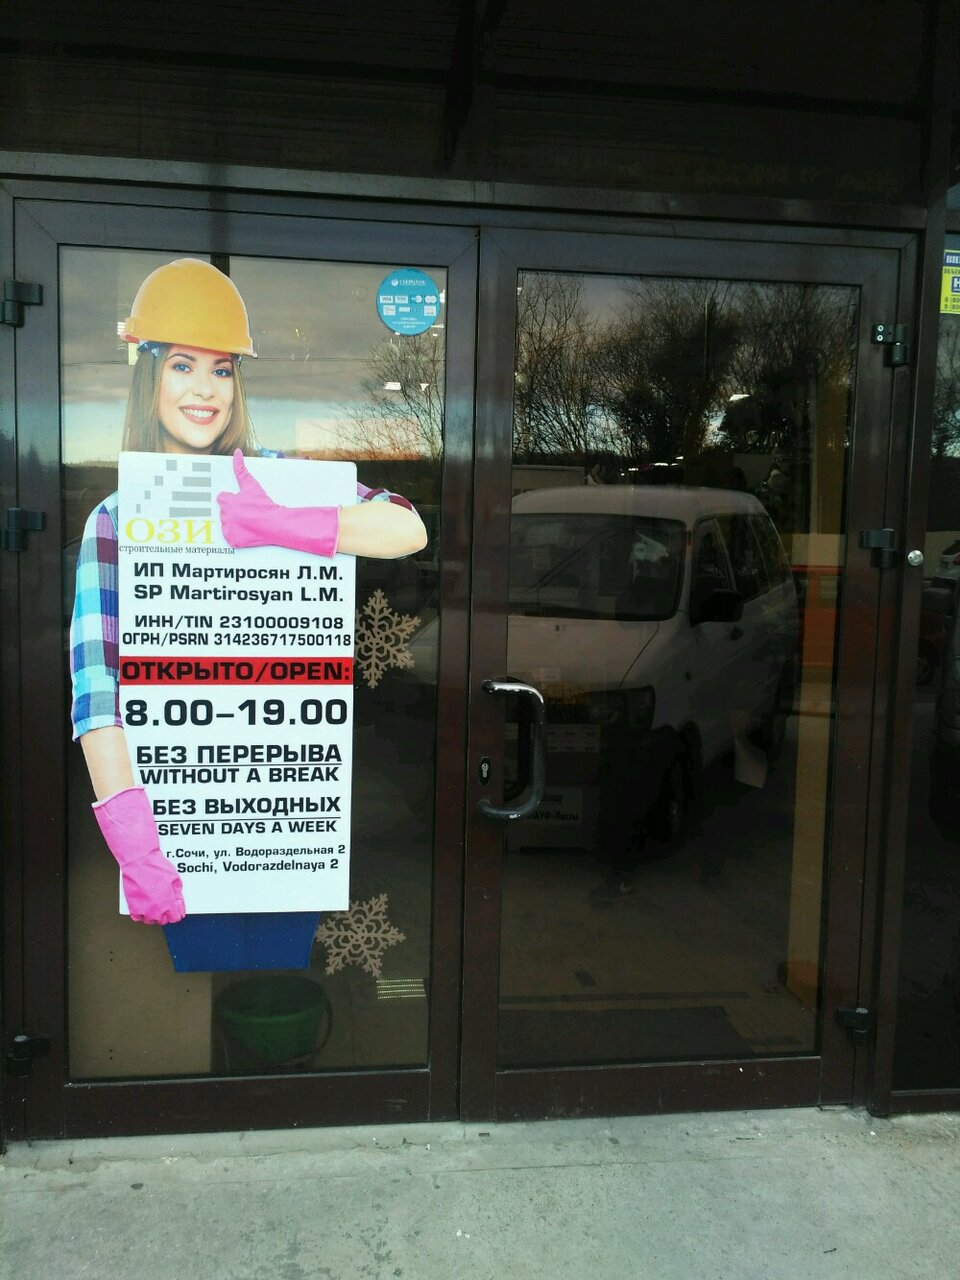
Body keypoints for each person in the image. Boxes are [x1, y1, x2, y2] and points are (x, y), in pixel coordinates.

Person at [70, 258, 427, 970]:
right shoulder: (115, 518)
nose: (204, 389)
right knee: (205, 982)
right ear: (149, 375)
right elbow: (97, 694)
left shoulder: (281, 479)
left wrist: (285, 522)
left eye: (222, 369)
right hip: (183, 829)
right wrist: (136, 848)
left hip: (285, 826)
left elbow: (406, 528)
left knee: (282, 982)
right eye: (182, 365)